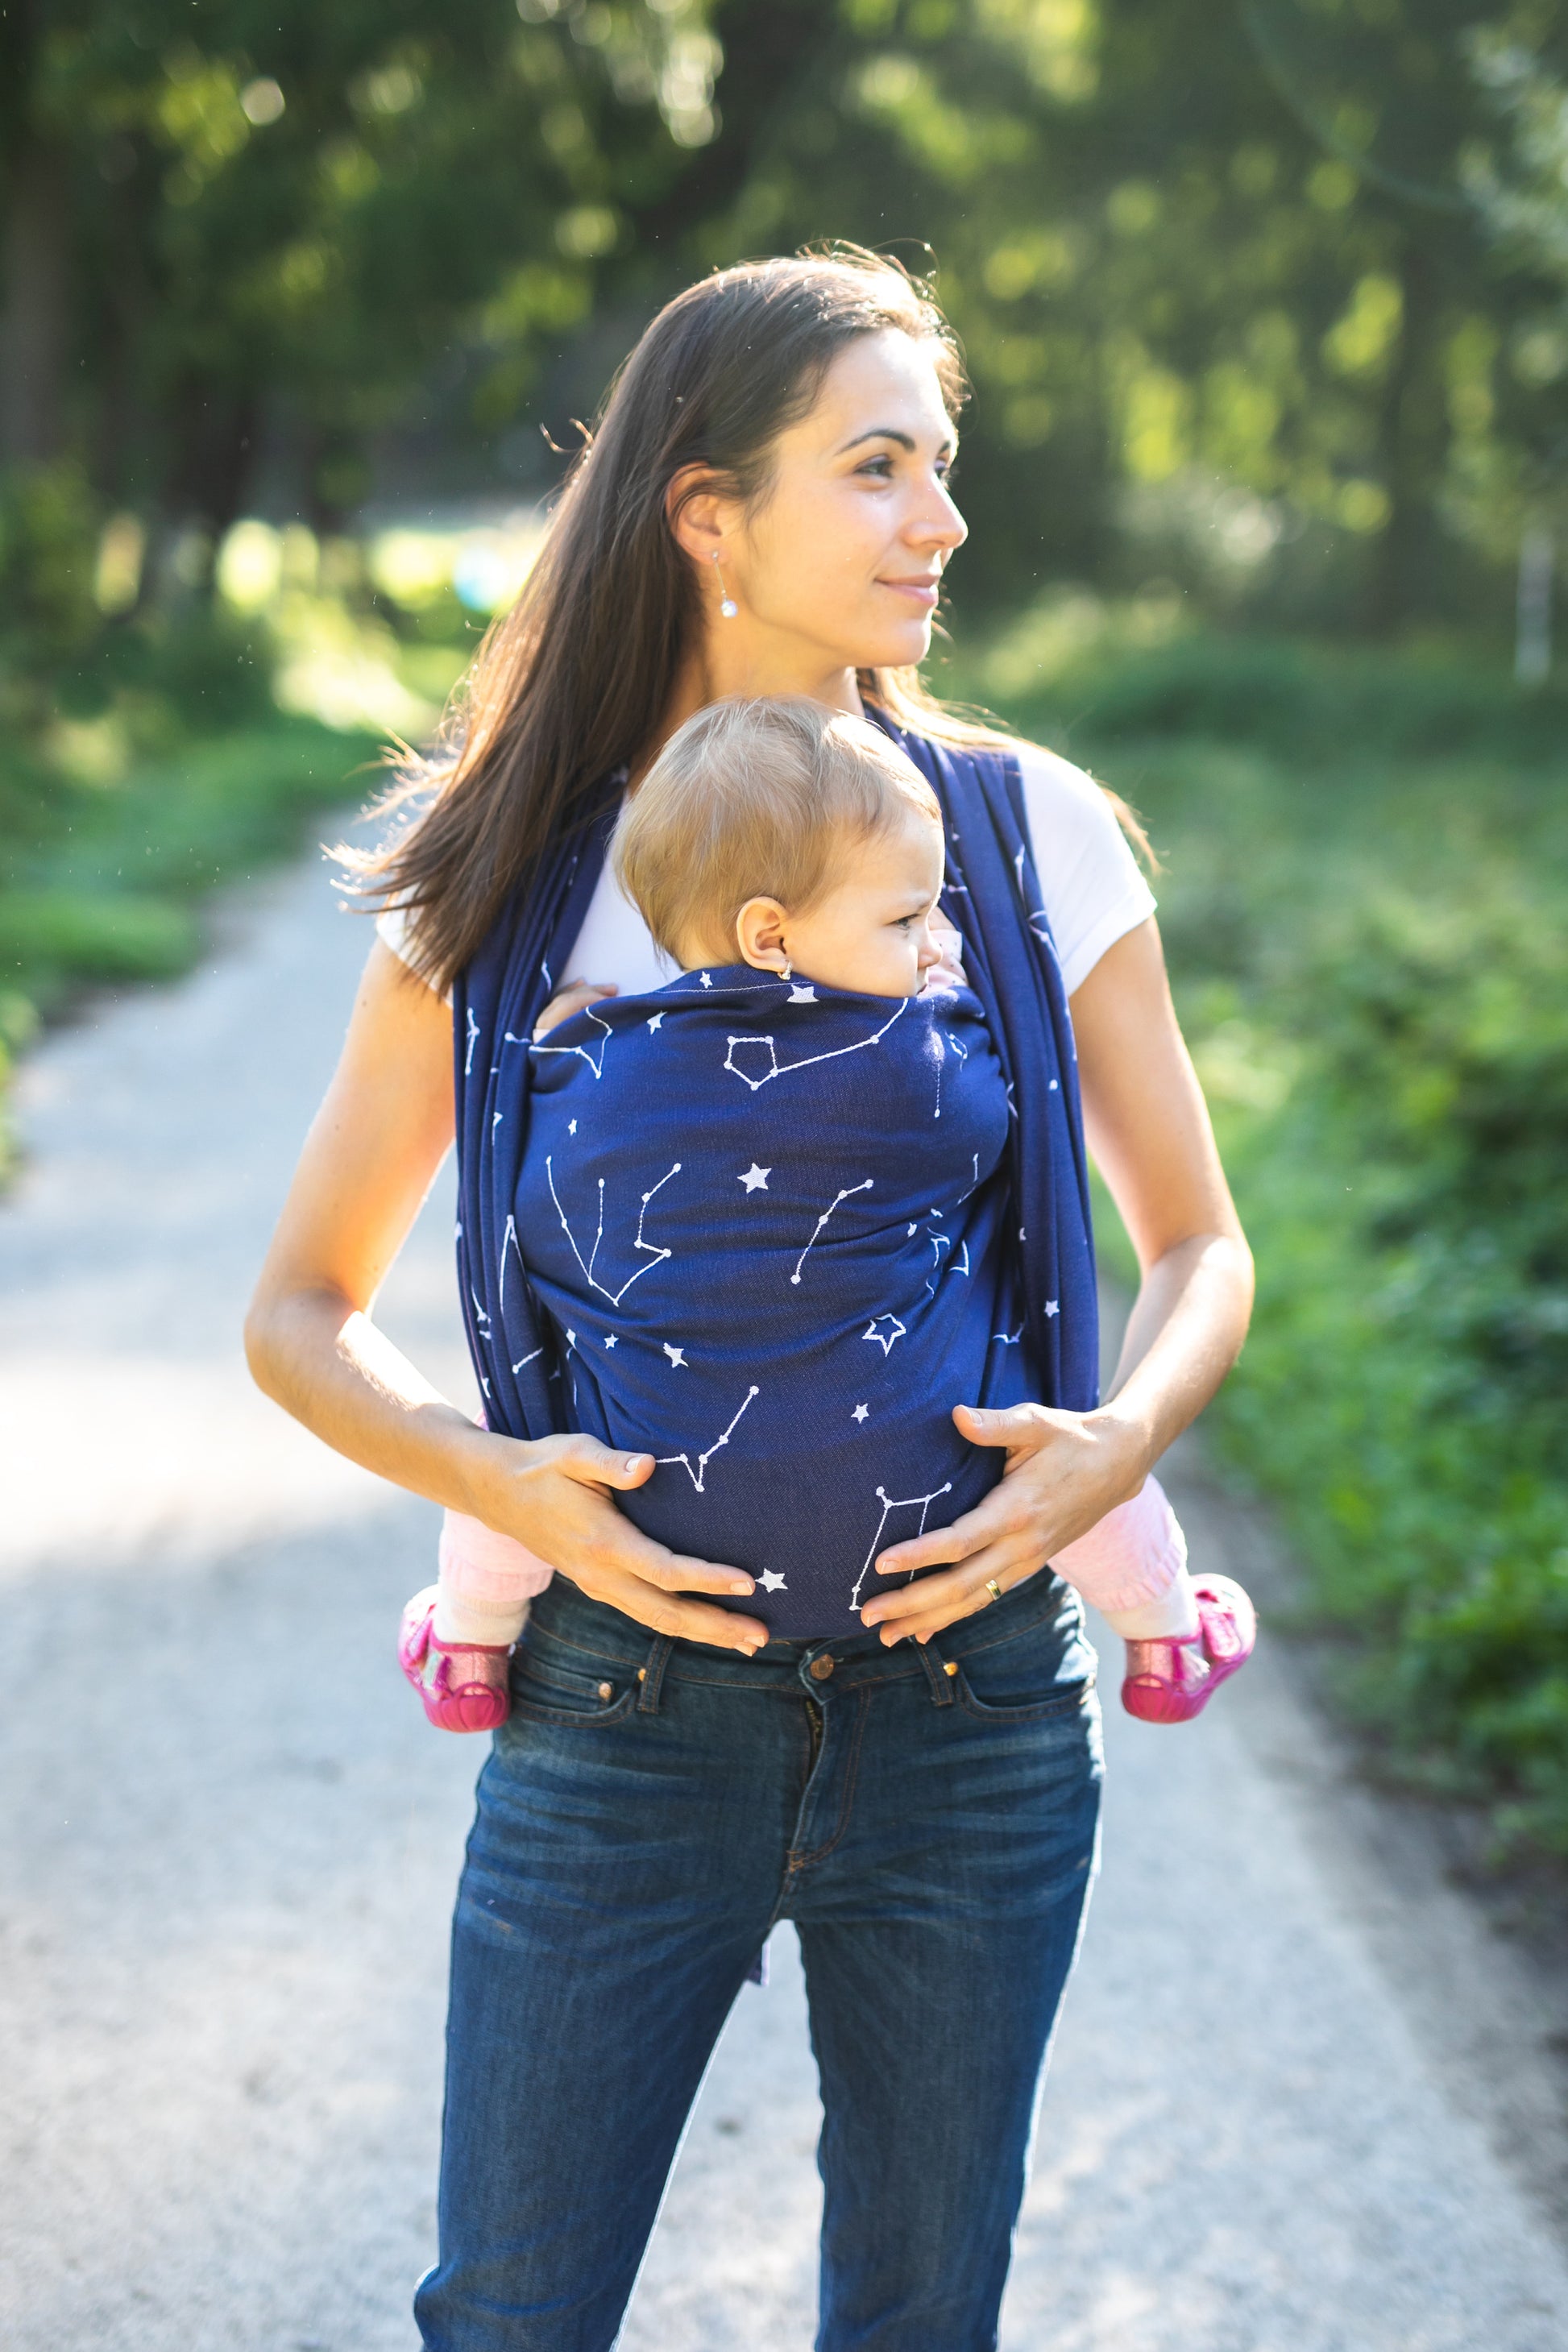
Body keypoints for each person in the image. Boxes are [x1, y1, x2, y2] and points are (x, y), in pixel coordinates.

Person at [245, 246, 1255, 2351]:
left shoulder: (1026, 833)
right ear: (707, 511)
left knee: (919, 2315)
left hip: (976, 1721)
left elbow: (1201, 1248)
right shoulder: (508, 867)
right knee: (508, 2316)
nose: (942, 520)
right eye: (878, 467)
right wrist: (494, 1491)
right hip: (615, 1722)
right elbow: (298, 1310)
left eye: (943, 465)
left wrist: (1114, 1454)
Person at [394, 695, 1253, 1734]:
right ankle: (1166, 1630)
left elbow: (535, 1194)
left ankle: (471, 1641)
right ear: (772, 934)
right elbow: (1003, 1103)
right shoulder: (921, 1061)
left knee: (519, 1441)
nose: (940, 940)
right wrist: (957, 1005)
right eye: (906, 919)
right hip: (936, 1532)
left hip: (651, 1519)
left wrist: (571, 1032)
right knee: (1063, 1437)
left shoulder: (595, 1068)